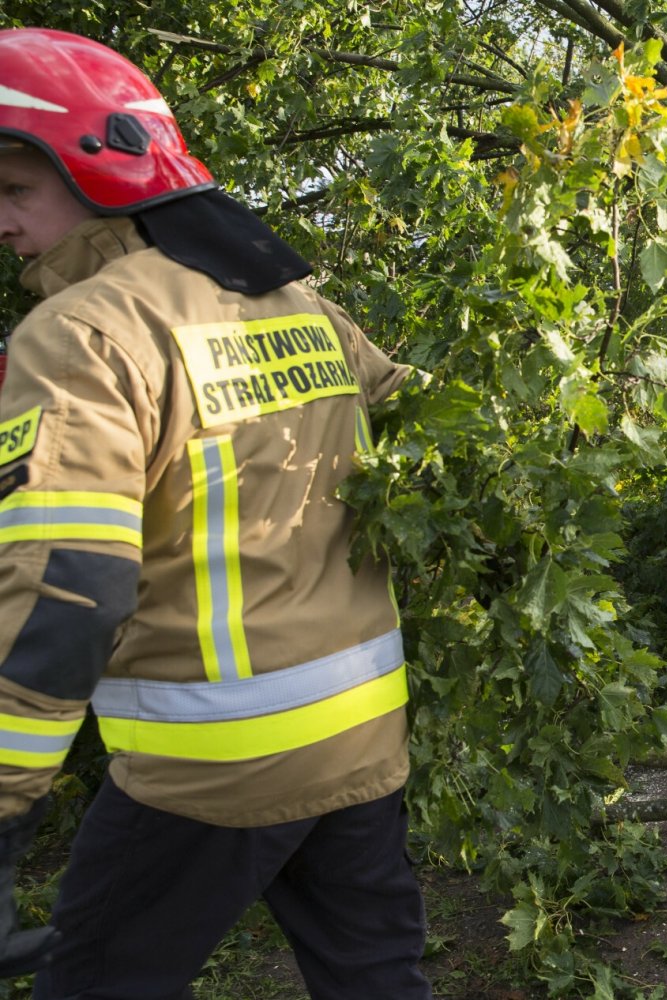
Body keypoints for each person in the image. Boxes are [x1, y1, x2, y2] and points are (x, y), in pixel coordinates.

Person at [0, 28, 431, 996]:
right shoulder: (296, 301)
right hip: (363, 740)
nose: (2, 223)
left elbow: (68, 583)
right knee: (379, 981)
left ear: (98, 172)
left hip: (207, 768)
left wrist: (5, 804)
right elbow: (428, 429)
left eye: (15, 191)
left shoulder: (80, 333)